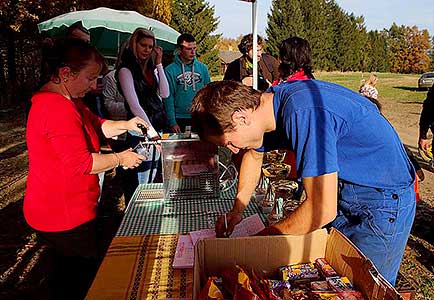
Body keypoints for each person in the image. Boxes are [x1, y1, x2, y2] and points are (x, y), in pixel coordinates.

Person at [190, 80, 416, 286]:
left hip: (383, 201)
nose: (233, 150)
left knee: (364, 286)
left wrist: (259, 242)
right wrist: (237, 209)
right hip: (347, 191)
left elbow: (320, 210)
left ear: (241, 118)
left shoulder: (303, 112)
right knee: (332, 282)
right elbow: (254, 154)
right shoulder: (268, 105)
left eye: (229, 142)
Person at [25, 38, 149, 300]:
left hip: (66, 209)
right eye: (90, 78)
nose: (94, 86)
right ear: (65, 73)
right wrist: (120, 158)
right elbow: (84, 163)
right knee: (79, 280)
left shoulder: (69, 101)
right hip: (63, 213)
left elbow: (98, 124)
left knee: (69, 274)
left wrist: (126, 124)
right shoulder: (55, 107)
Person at [116, 28, 169, 201]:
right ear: (134, 45)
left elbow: (165, 93)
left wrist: (159, 64)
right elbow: (134, 106)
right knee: (140, 178)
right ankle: (136, 216)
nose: (146, 50)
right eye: (143, 45)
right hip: (140, 130)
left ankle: (147, 216)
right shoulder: (125, 70)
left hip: (157, 128)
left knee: (152, 176)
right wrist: (152, 134)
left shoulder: (151, 69)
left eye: (150, 47)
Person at [163, 33, 211, 133]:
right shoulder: (169, 70)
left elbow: (208, 94)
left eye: (194, 48)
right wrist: (172, 121)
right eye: (189, 49)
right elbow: (168, 97)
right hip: (178, 118)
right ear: (180, 50)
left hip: (199, 116)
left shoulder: (203, 68)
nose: (193, 52)